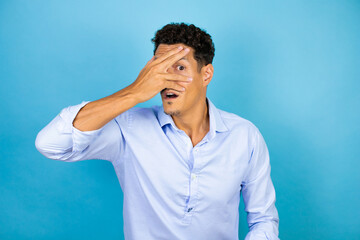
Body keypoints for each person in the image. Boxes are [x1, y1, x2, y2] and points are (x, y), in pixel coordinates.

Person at [35, 22, 279, 240]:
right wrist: (135, 92)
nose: (166, 80)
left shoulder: (245, 136)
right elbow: (51, 144)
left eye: (180, 68)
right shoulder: (129, 129)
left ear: (206, 74)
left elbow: (263, 221)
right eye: (160, 69)